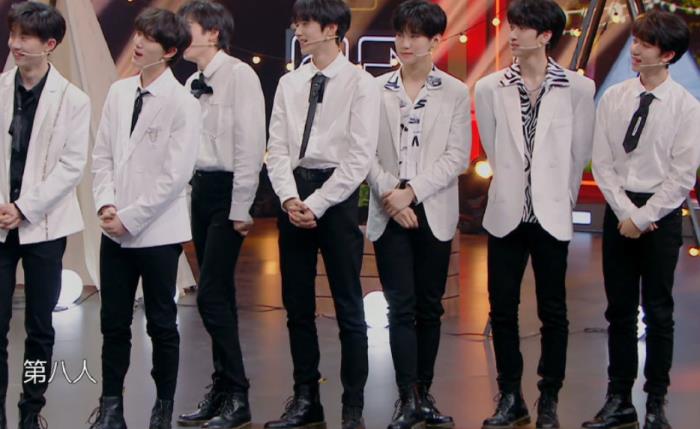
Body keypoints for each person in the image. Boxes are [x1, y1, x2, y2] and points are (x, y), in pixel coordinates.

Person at [474, 0, 595, 427]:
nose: (512, 34)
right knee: (502, 309)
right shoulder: (489, 88)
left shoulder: (578, 89)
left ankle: (549, 398)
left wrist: (560, 201)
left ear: (545, 36)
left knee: (553, 311)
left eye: (522, 27)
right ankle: (511, 397)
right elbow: (493, 149)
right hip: (506, 213)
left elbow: (578, 155)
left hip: (551, 215)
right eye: (512, 25)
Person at [264, 0, 381, 428]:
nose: (298, 31)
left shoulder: (361, 84)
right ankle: (305, 400)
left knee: (349, 306)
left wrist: (315, 203)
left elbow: (359, 158)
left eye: (306, 23)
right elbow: (276, 148)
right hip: (293, 194)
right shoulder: (289, 83)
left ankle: (353, 406)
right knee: (297, 306)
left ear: (332, 28)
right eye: (296, 23)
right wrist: (288, 198)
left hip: (335, 197)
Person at [583, 10, 700, 429]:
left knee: (659, 311)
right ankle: (618, 400)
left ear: (667, 55)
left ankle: (655, 402)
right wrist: (625, 213)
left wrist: (646, 215)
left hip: (661, 216)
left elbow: (682, 175)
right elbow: (603, 162)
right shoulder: (615, 97)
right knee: (618, 311)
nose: (635, 49)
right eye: (635, 40)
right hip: (621, 212)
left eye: (646, 44)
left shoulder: (686, 106)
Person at [88, 8, 200, 429]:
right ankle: (111, 407)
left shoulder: (183, 103)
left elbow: (175, 175)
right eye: (137, 33)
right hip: (113, 229)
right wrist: (105, 204)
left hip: (158, 233)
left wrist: (131, 218)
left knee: (161, 323)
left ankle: (163, 407)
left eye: (148, 38)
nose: (137, 43)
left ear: (169, 51)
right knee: (113, 323)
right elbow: (102, 156)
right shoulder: (119, 93)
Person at [366, 1, 470, 428]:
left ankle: (423, 395)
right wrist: (392, 193)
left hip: (433, 205)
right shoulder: (375, 89)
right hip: (389, 206)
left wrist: (413, 193)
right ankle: (406, 398)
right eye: (400, 34)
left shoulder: (455, 91)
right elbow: (363, 152)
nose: (405, 43)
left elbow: (458, 156)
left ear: (435, 40)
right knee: (400, 307)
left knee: (429, 307)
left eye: (415, 35)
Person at [0, 3, 90, 428]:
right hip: (0, 224)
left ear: (49, 44)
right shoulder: (0, 88)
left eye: (25, 37)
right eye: (13, 35)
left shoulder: (73, 100)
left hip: (45, 227)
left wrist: (24, 208)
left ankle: (31, 410)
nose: (14, 44)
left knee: (40, 328)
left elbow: (71, 167)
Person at [176, 1, 266, 428]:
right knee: (221, 295)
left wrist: (243, 205)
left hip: (230, 189)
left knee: (210, 294)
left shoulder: (239, 75)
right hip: (201, 189)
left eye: (187, 27)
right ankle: (223, 390)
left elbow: (251, 142)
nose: (180, 35)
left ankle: (238, 393)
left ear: (212, 33)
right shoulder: (191, 81)